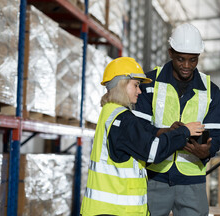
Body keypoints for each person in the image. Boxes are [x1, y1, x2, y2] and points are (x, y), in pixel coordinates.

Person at [80, 57, 205, 216]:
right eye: (136, 85)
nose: (139, 91)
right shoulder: (123, 119)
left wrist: (168, 132)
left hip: (105, 210)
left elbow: (138, 139)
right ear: (122, 84)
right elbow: (153, 151)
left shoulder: (109, 113)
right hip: (117, 211)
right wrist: (185, 132)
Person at [134, 23, 220, 216]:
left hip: (192, 179)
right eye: (181, 59)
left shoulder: (210, 90)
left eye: (193, 60)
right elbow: (138, 129)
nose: (187, 66)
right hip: (155, 175)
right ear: (170, 53)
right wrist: (168, 132)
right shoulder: (150, 84)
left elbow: (216, 133)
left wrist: (206, 151)